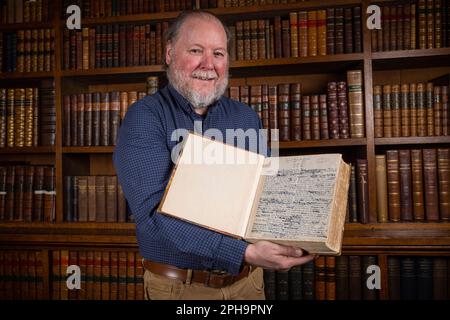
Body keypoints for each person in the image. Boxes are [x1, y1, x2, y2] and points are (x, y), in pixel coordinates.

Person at [113, 10, 315, 300]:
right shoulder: (144, 118)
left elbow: (265, 195)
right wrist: (244, 252)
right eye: (196, 50)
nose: (209, 64)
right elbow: (153, 216)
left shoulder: (246, 118)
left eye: (218, 53)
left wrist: (297, 236)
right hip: (180, 289)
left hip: (249, 286)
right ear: (170, 53)